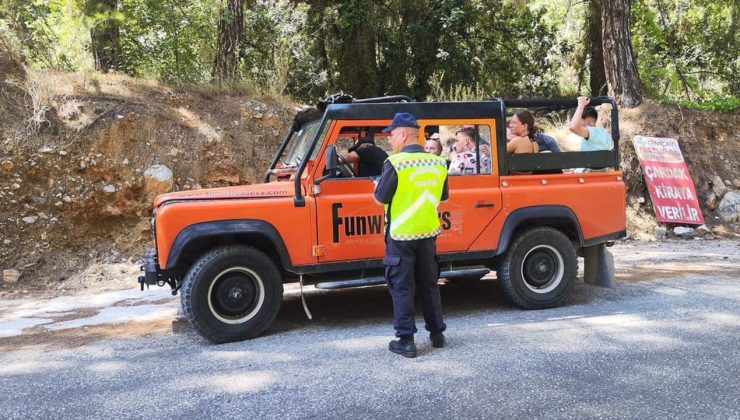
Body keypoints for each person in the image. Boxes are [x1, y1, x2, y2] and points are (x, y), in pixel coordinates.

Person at [374, 112, 449, 358]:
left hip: (401, 236)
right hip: (428, 234)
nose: (390, 140)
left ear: (404, 134)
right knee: (429, 284)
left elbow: (380, 198)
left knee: (402, 287)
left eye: (392, 134)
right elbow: (443, 197)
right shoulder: (438, 163)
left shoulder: (395, 163)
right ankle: (437, 335)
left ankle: (406, 340)